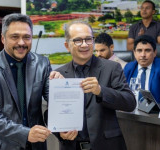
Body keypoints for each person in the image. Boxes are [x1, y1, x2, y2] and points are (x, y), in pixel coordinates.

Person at [0, 13, 62, 150]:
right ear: (3, 38)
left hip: (35, 145)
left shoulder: (42, 64)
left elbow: (54, 100)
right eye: (15, 37)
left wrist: (60, 87)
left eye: (26, 37)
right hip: (0, 145)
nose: (21, 43)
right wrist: (26, 133)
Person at [54, 20, 136, 150]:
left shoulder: (112, 67)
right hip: (71, 146)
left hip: (107, 145)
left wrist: (101, 91)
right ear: (67, 45)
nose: (85, 45)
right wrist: (59, 132)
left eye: (89, 39)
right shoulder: (59, 74)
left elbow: (130, 103)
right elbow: (52, 113)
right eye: (78, 40)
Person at [124, 35, 160, 105]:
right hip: (132, 111)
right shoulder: (129, 67)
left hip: (156, 113)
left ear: (155, 53)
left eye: (147, 50)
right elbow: (121, 90)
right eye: (139, 51)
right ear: (134, 53)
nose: (143, 55)